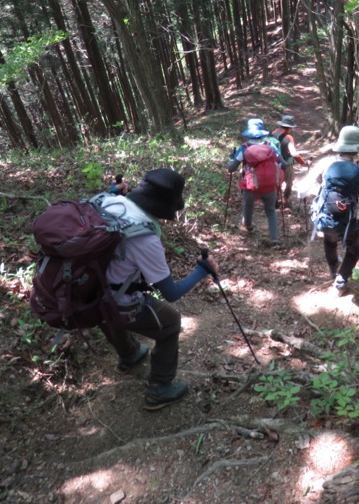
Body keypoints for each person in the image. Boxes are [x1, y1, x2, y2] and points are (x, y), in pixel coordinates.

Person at [100, 169, 219, 411]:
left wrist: (115, 190)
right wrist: (202, 270)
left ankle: (129, 354)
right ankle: (159, 388)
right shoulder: (144, 237)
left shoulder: (107, 201)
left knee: (110, 305)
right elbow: (171, 293)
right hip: (114, 300)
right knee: (170, 320)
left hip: (85, 293)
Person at [297, 126, 359, 294]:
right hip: (351, 221)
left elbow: (301, 191)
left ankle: (333, 268)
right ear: (357, 149)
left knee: (329, 240)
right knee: (354, 250)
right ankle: (341, 281)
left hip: (325, 218)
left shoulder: (325, 163)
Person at [227, 118, 284, 247]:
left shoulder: (244, 148)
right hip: (269, 185)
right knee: (270, 211)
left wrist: (231, 158)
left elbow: (231, 168)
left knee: (248, 205)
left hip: (251, 185)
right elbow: (283, 164)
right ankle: (275, 240)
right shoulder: (270, 145)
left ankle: (248, 226)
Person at [271, 114, 307, 205]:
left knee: (276, 182)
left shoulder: (273, 133)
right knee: (289, 183)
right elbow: (293, 153)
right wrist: (303, 162)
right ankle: (286, 201)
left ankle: (275, 199)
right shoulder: (289, 138)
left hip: (273, 163)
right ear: (289, 127)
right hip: (286, 163)